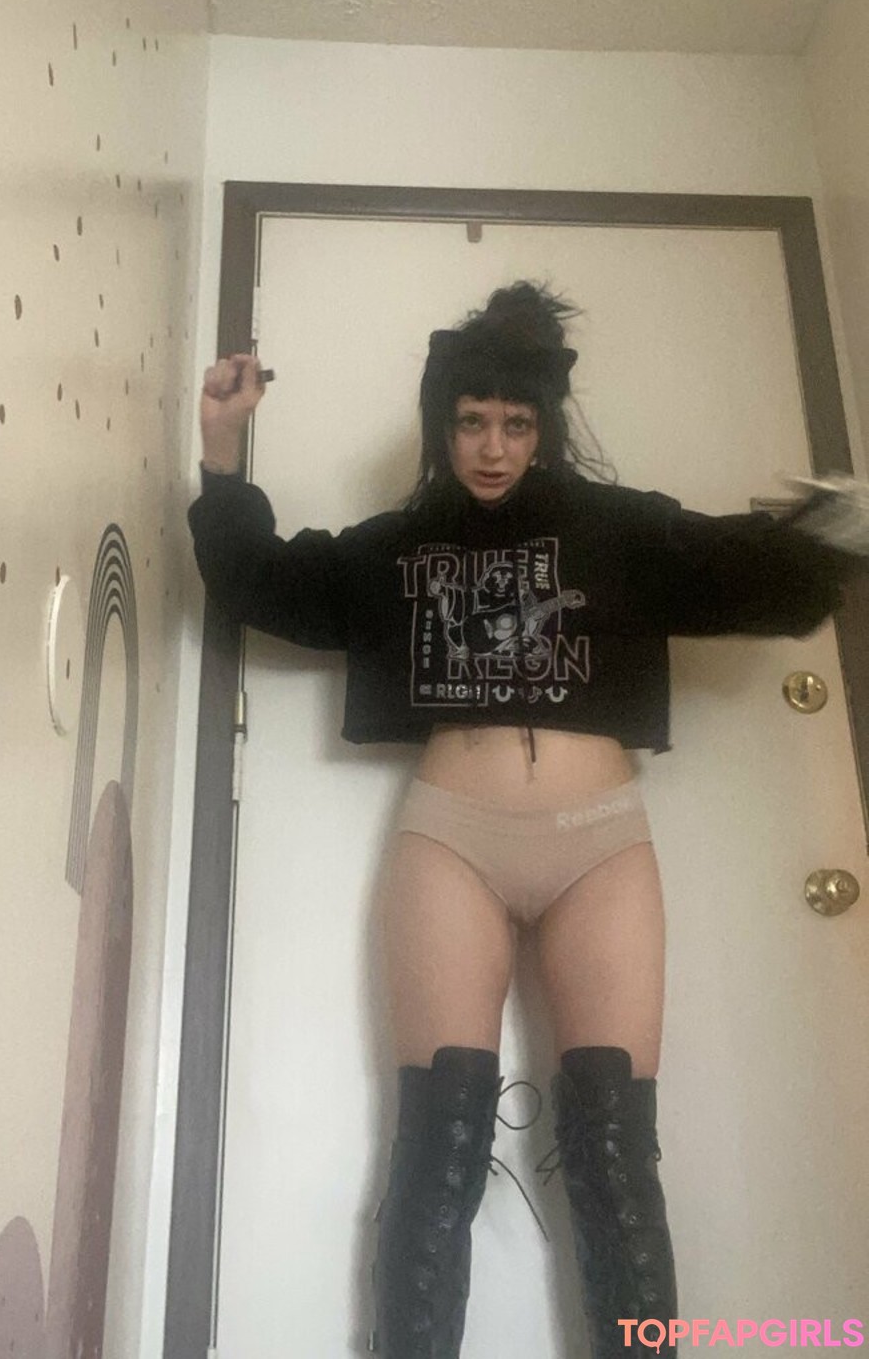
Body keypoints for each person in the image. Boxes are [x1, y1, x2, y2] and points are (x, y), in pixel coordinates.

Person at [187, 282, 866, 1359]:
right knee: (435, 1146)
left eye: (515, 421)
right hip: (451, 842)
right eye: (471, 421)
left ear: (544, 425)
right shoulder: (402, 543)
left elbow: (754, 577)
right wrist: (223, 451)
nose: (493, 447)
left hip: (601, 848)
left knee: (616, 1149)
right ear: (442, 423)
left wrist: (836, 530)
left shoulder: (618, 529)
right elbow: (264, 583)